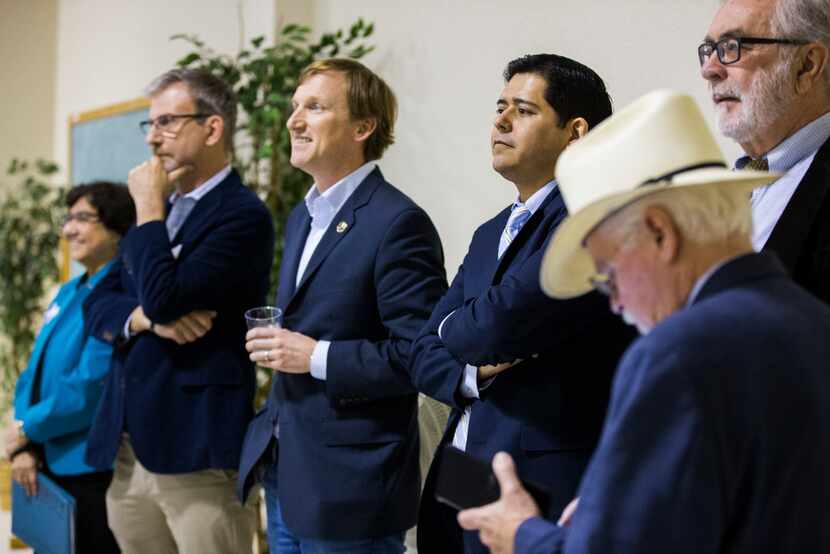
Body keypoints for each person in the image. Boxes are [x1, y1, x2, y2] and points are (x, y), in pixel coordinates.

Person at [457, 90, 830, 553]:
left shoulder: (676, 353)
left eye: (607, 273)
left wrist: (523, 534)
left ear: (659, 232)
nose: (613, 302)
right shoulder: (813, 321)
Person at [408, 54, 634, 554]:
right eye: (499, 107)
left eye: (524, 110)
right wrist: (472, 373)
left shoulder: (587, 218)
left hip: (538, 478)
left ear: (575, 131)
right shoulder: (490, 232)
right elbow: (422, 353)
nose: (501, 121)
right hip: (463, 470)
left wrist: (455, 331)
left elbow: (492, 327)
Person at [236, 58, 446, 553]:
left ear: (363, 126)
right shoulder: (300, 218)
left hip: (352, 487)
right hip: (286, 470)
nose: (293, 120)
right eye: (294, 107)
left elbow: (420, 355)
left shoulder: (398, 223)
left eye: (314, 107)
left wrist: (314, 356)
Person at [82, 68, 275, 554]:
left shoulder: (242, 215)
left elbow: (166, 296)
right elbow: (97, 304)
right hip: (129, 449)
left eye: (167, 122)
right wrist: (145, 319)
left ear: (212, 128)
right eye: (148, 125)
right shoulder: (163, 209)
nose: (152, 139)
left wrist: (148, 208)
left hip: (195, 449)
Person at [7, 181, 134, 554]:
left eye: (83, 218)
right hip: (46, 459)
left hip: (91, 469)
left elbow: (90, 386)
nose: (69, 229)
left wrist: (28, 428)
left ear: (116, 227)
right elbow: (31, 374)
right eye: (68, 218)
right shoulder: (69, 291)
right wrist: (23, 444)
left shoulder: (121, 293)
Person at [700, 0, 830, 302]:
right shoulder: (723, 188)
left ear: (806, 65)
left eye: (733, 46)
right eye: (709, 50)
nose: (710, 69)